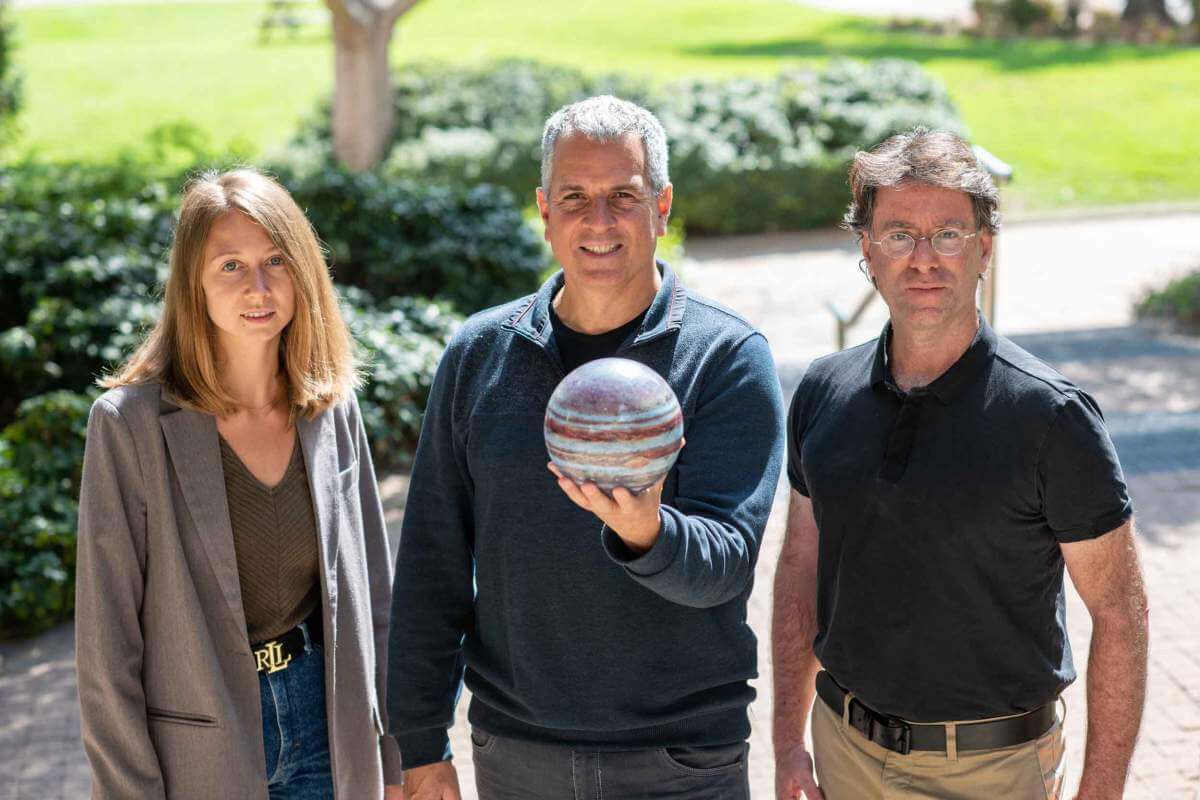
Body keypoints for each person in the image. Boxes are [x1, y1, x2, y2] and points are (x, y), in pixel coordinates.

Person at [387, 95, 785, 800]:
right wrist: (419, 744)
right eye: (575, 196)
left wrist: (647, 533)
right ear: (543, 209)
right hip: (517, 755)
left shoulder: (726, 357)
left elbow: (726, 565)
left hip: (681, 762)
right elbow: (431, 563)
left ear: (662, 207)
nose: (598, 221)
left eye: (622, 196)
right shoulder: (480, 354)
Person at [772, 129, 1149, 800]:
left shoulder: (1051, 418)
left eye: (948, 234)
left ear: (985, 249)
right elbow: (799, 567)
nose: (923, 259)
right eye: (897, 235)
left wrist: (1101, 791)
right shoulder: (822, 392)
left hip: (992, 771)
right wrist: (786, 743)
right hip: (844, 753)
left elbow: (1120, 610)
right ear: (866, 251)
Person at [75, 168, 404, 800]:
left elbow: (376, 602)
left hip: (329, 727)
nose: (258, 286)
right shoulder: (130, 426)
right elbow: (105, 647)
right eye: (230, 265)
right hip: (197, 747)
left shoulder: (331, 407)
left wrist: (394, 754)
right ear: (193, 285)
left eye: (276, 260)